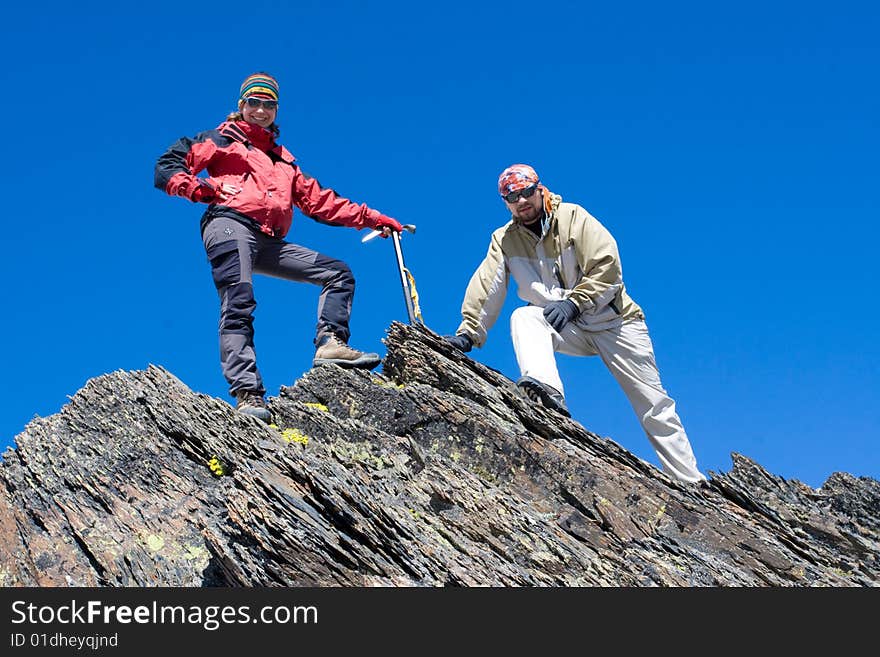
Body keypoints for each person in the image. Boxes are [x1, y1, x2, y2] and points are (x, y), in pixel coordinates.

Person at [155, 72, 402, 423]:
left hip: (269, 239)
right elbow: (167, 166)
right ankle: (248, 394)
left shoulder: (283, 160)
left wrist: (373, 218)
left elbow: (319, 201)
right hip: (229, 224)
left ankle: (330, 345)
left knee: (337, 274)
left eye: (268, 104)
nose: (260, 110)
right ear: (241, 106)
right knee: (238, 300)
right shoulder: (222, 139)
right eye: (253, 102)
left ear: (275, 110)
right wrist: (199, 190)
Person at [443, 164, 705, 484]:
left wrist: (574, 302)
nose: (521, 201)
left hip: (615, 322)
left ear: (540, 190)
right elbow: (487, 287)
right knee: (524, 316)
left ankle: (691, 481)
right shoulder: (505, 240)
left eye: (526, 192)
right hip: (568, 326)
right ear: (505, 202)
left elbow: (608, 268)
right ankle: (547, 394)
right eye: (512, 197)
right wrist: (468, 334)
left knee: (653, 404)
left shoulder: (573, 217)